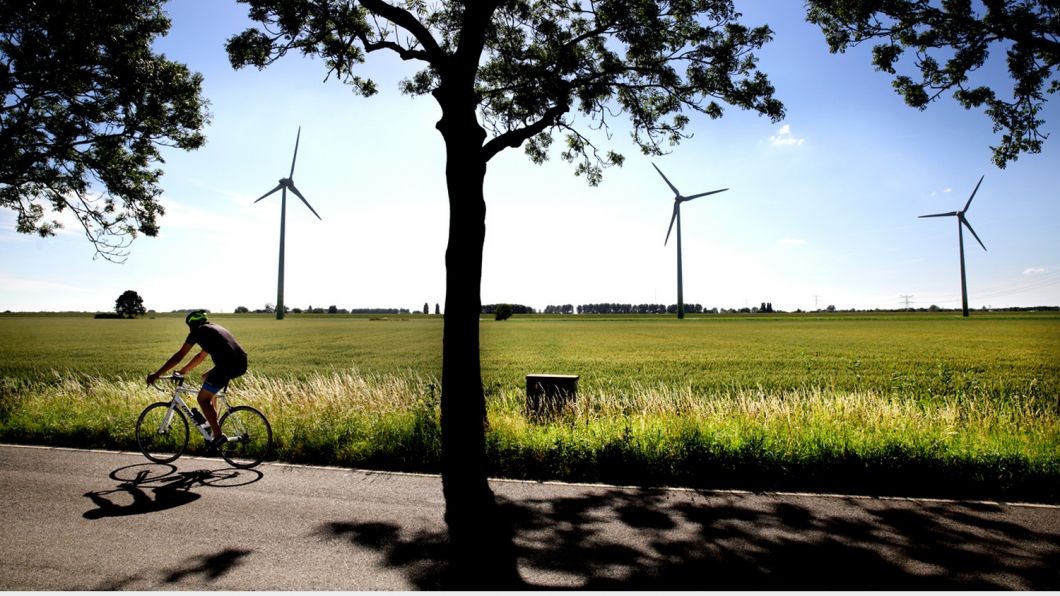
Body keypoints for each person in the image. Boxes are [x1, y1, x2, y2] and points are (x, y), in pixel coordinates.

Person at [147, 310, 248, 449]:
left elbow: (178, 356)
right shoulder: (213, 329)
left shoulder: (197, 332)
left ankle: (218, 437)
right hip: (241, 362)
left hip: (226, 365)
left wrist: (156, 374)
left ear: (193, 324)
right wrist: (183, 371)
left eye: (189, 325)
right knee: (205, 378)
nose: (189, 329)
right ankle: (214, 421)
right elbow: (200, 356)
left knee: (202, 399)